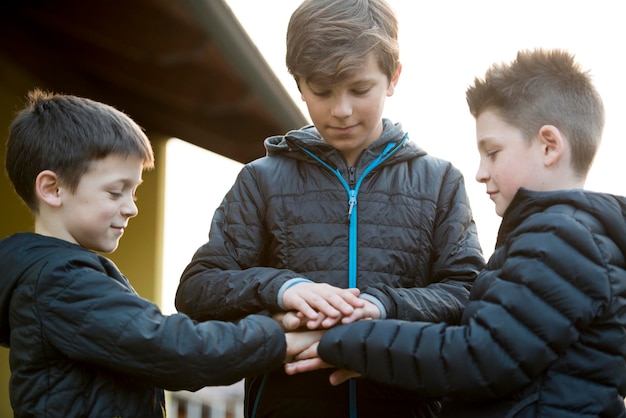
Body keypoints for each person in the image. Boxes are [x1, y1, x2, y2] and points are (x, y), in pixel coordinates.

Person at [174, 0, 485, 416]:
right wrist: (284, 288)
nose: (341, 110)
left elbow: (468, 294)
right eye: (321, 91)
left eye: (359, 90)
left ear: (393, 77)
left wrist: (383, 306)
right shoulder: (260, 180)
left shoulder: (441, 182)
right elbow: (197, 289)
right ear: (299, 85)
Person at [287, 49, 626, 417]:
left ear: (549, 145)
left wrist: (348, 341)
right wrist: (383, 361)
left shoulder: (560, 239)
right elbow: (510, 367)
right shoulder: (569, 237)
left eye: (492, 152)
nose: (480, 172)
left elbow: (481, 358)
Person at [0, 89, 319, 417]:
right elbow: (173, 348)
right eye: (115, 192)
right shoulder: (61, 283)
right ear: (53, 189)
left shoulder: (54, 278)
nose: (131, 208)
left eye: (134, 192)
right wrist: (277, 335)